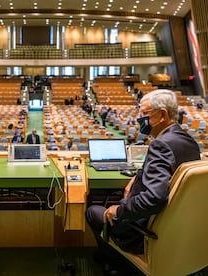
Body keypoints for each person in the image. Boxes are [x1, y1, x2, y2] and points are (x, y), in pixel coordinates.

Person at [85, 90, 200, 274]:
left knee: (94, 211)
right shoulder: (188, 141)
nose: (139, 119)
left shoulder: (160, 145)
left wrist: (119, 210)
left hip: (144, 230)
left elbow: (153, 198)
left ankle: (118, 263)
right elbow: (169, 171)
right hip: (179, 229)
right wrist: (139, 176)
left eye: (144, 114)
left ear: (162, 114)